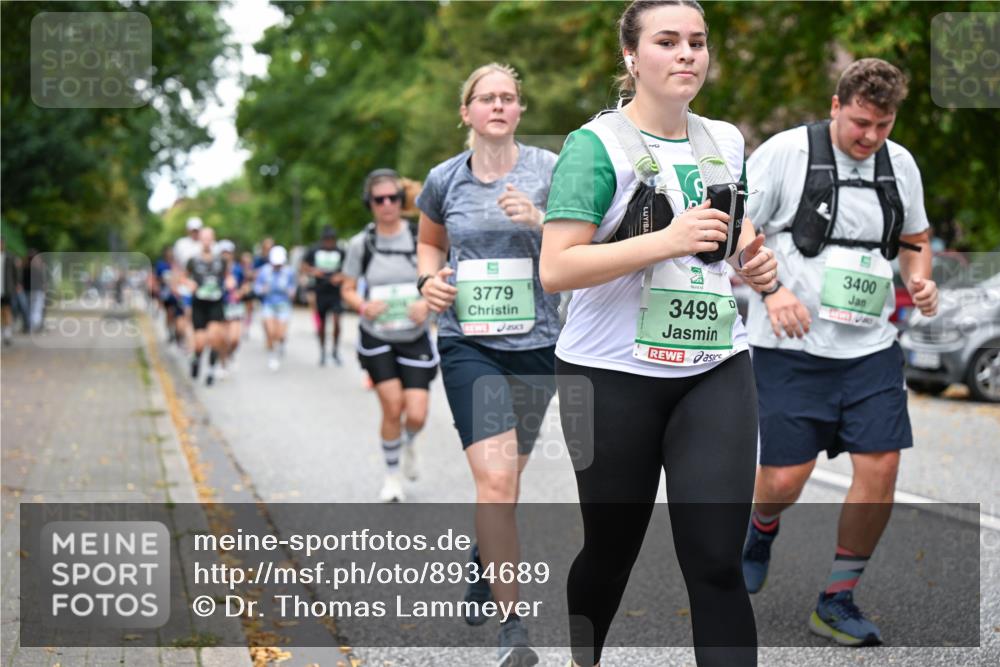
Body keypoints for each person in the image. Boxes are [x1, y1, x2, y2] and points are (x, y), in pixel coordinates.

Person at [539, 2, 778, 665]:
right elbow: (557, 267)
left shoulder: (725, 140)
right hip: (609, 376)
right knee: (611, 553)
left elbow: (732, 234)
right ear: (631, 57)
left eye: (697, 43)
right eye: (667, 41)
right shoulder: (595, 147)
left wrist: (753, 258)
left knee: (716, 562)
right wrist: (663, 240)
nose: (686, 55)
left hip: (714, 367)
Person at [740, 58, 937, 647]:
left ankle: (837, 599)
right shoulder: (783, 153)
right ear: (835, 106)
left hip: (871, 347)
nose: (870, 137)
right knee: (783, 477)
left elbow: (916, 239)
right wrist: (772, 292)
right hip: (789, 346)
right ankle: (760, 525)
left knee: (881, 469)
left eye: (882, 125)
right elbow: (737, 223)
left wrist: (920, 278)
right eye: (859, 123)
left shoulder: (899, 165)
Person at [415, 62, 560, 667]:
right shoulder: (444, 179)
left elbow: (587, 243)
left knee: (508, 479)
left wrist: (541, 222)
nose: (498, 106)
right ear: (467, 111)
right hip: (467, 343)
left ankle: (483, 560)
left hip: (537, 344)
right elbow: (429, 242)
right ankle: (512, 627)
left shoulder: (551, 172)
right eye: (486, 98)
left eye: (508, 98)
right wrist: (429, 281)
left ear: (519, 111)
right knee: (496, 481)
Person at [341, 169, 437, 503]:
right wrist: (363, 305)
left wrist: (426, 303)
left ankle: (410, 443)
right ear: (370, 203)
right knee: (392, 407)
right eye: (378, 199)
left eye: (392, 198)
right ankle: (392, 476)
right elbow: (348, 288)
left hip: (415, 335)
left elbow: (439, 278)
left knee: (418, 413)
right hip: (377, 335)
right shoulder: (361, 243)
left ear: (401, 199)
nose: (386, 205)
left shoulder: (419, 237)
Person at [184, 228, 232, 386]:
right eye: (203, 238)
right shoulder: (193, 260)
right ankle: (196, 359)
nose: (206, 241)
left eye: (209, 238)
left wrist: (230, 282)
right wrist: (188, 283)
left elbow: (228, 276)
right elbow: (183, 277)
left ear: (213, 240)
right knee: (200, 342)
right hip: (199, 303)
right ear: (200, 240)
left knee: (215, 338)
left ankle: (211, 370)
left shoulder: (221, 260)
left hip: (216, 302)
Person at [303, 226, 346, 366]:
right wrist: (313, 271)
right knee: (321, 324)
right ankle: (322, 351)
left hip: (335, 292)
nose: (329, 242)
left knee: (337, 321)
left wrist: (340, 277)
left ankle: (335, 350)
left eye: (331, 239)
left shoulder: (340, 251)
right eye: (327, 240)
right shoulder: (314, 250)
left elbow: (349, 269)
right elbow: (303, 266)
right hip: (320, 292)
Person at [254, 245, 297, 371]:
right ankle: (273, 356)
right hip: (269, 305)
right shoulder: (264, 271)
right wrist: (262, 290)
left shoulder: (289, 272)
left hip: (283, 305)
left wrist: (291, 292)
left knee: (280, 333)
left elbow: (292, 287)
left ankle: (281, 344)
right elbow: (257, 288)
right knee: (271, 332)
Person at [172, 217, 205, 350]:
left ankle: (196, 342)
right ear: (188, 230)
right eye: (193, 230)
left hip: (202, 286)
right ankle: (189, 344)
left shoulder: (206, 244)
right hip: (185, 285)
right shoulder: (181, 244)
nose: (195, 233)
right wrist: (175, 284)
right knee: (187, 315)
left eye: (197, 230)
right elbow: (176, 266)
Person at [218, 240, 247, 376]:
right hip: (220, 305)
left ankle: (230, 354)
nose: (225, 255)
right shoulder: (216, 268)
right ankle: (222, 365)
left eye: (228, 252)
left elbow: (245, 285)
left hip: (235, 306)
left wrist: (240, 292)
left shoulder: (237, 269)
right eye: (223, 252)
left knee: (235, 338)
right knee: (223, 338)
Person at [1, 239, 17, 345]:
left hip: (6, 289)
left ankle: (7, 333)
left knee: (7, 310)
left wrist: (16, 284)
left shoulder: (9, 256)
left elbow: (15, 272)